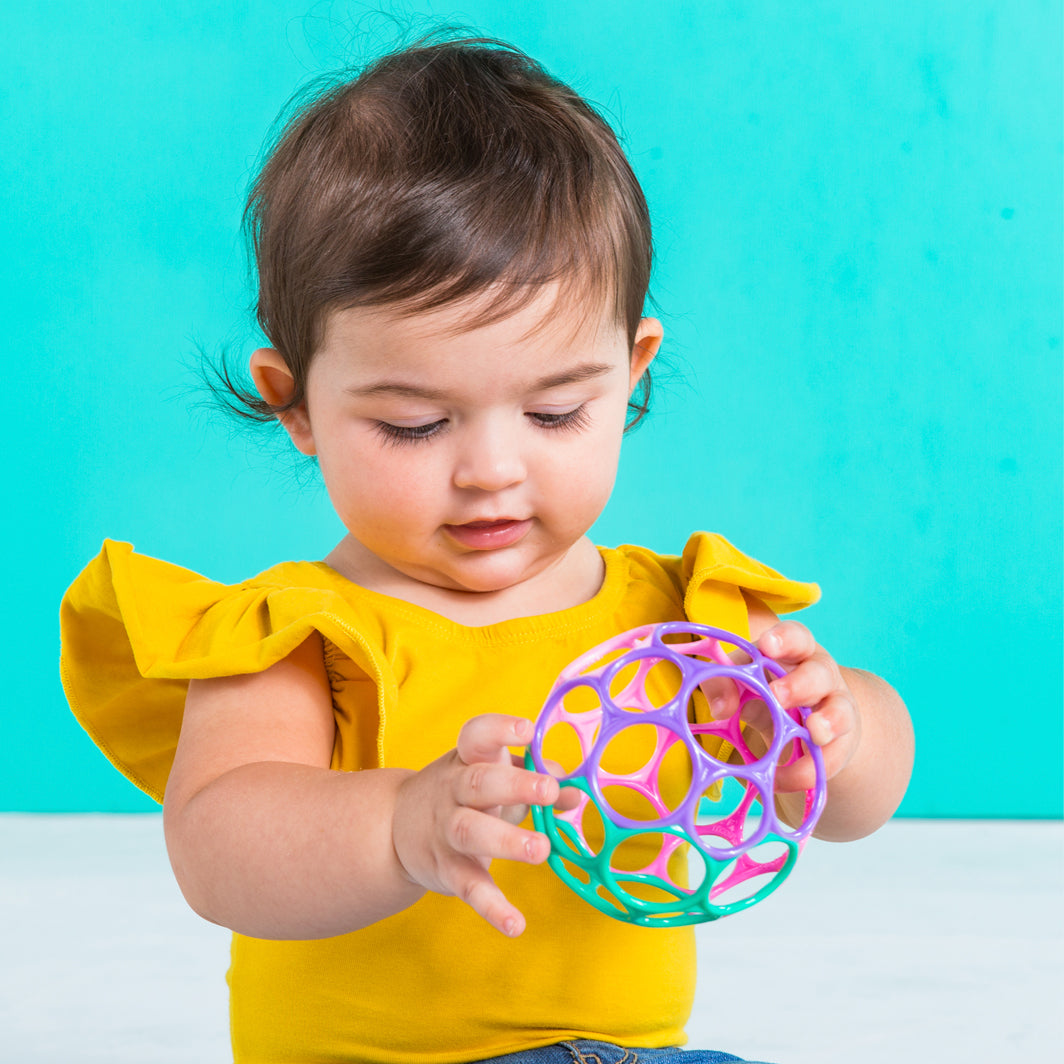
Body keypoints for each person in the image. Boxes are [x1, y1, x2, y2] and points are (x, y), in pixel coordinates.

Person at [60, 34, 914, 1064]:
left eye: (554, 412)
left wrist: (841, 729)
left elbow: (855, 806)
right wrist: (397, 825)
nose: (492, 471)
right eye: (416, 425)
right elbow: (217, 846)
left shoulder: (684, 619)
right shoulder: (296, 635)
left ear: (631, 370)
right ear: (296, 404)